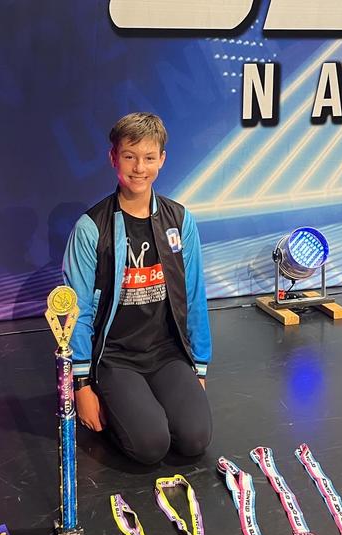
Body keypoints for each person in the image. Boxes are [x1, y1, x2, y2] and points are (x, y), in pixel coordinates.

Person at [62, 112, 212, 465]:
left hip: (166, 354)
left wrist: (199, 369)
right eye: (129, 157)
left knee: (195, 439)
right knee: (149, 446)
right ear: (113, 158)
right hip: (115, 358)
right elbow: (77, 311)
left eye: (148, 157)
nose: (139, 168)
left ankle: (148, 404)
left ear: (162, 159)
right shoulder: (90, 227)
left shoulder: (180, 220)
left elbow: (194, 297)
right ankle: (119, 403)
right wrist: (81, 386)